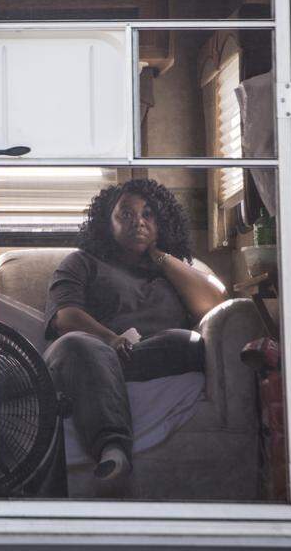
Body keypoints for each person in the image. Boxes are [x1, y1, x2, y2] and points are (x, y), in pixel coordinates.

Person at [44, 178, 226, 482]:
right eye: (125, 214)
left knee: (188, 342)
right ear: (107, 221)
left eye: (148, 214)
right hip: (91, 356)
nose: (138, 222)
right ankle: (112, 450)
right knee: (77, 344)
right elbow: (66, 316)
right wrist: (110, 339)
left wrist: (159, 256)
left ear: (163, 220)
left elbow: (213, 306)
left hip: (147, 356)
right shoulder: (81, 262)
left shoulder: (175, 269)